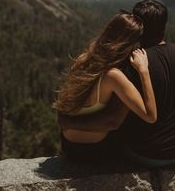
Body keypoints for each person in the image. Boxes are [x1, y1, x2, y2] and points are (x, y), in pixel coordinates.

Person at [58, 0, 175, 168]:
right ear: (165, 24)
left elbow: (113, 120)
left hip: (139, 153)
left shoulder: (102, 63)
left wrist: (69, 123)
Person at [53, 12, 157, 161]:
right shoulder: (113, 76)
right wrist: (144, 71)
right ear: (130, 44)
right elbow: (150, 116)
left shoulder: (83, 60)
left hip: (68, 144)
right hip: (95, 150)